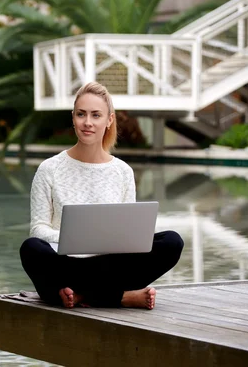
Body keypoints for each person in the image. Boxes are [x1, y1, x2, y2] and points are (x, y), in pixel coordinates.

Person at [20, 82, 183, 310]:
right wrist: (71, 237)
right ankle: (120, 297)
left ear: (109, 120)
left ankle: (81, 296)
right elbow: (37, 229)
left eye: (96, 115)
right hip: (67, 265)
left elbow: (129, 235)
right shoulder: (49, 169)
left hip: (110, 264)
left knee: (172, 241)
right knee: (31, 249)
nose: (87, 122)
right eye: (81, 114)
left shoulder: (122, 172)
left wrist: (105, 242)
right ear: (73, 117)